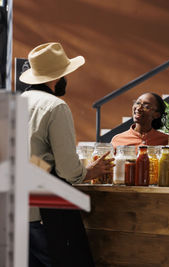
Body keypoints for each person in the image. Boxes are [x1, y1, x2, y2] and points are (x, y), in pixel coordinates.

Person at [20, 42, 114, 267]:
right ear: (58, 77)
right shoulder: (55, 106)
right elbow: (68, 170)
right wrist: (91, 171)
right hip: (42, 212)